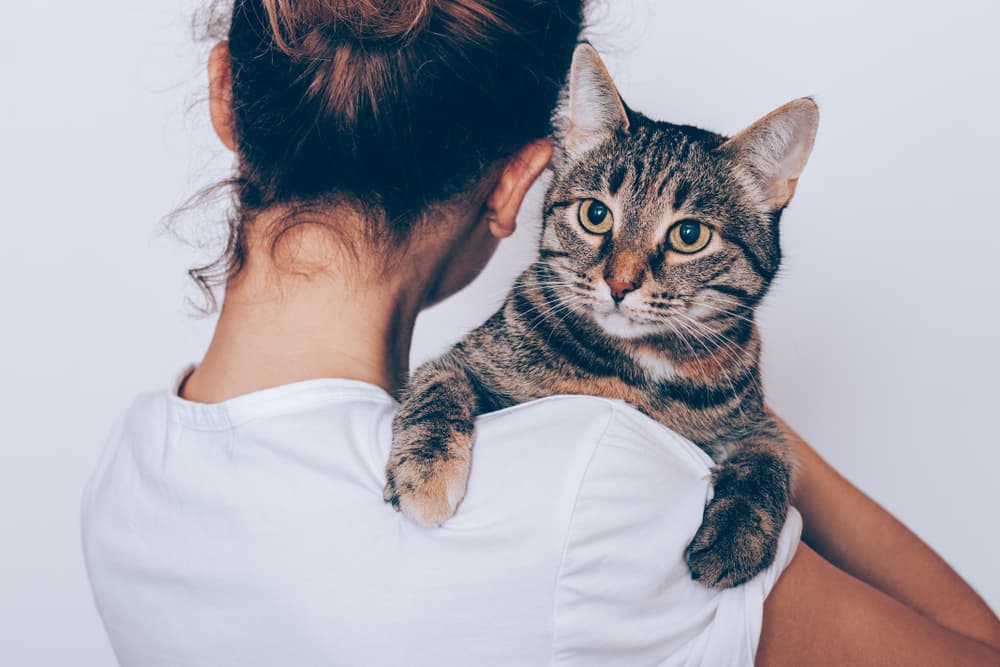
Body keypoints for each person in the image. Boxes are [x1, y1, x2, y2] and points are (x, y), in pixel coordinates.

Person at [81, 1, 1000, 664]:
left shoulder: (125, 475)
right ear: (519, 186)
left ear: (225, 95)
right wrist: (739, 423)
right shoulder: (598, 481)